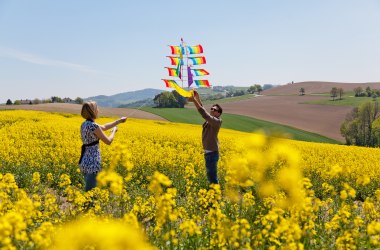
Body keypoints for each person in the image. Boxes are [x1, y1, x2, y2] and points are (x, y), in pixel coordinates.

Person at [79, 101, 127, 191]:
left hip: (84, 161)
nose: (98, 110)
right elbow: (108, 141)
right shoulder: (94, 126)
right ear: (93, 111)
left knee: (89, 190)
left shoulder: (84, 124)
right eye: (97, 108)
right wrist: (113, 131)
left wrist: (119, 121)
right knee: (91, 193)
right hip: (92, 162)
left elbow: (104, 127)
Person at [189, 90, 223, 184]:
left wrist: (194, 100)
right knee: (210, 176)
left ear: (218, 113)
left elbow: (204, 114)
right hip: (209, 153)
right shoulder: (210, 120)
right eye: (211, 108)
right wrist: (197, 98)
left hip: (212, 154)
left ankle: (216, 195)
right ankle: (214, 194)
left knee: (212, 177)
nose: (212, 110)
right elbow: (204, 109)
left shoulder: (216, 122)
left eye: (214, 109)